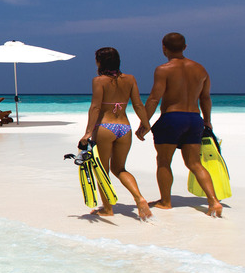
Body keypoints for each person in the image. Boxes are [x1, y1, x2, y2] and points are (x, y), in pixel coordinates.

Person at [136, 32, 223, 217]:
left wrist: (144, 123)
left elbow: (154, 98)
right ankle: (213, 201)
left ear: (163, 48)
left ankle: (166, 202)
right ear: (185, 47)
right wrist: (207, 121)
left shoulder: (163, 69)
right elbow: (205, 98)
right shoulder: (201, 69)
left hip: (172, 118)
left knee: (164, 161)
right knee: (194, 163)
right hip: (194, 119)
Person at [80, 47, 153, 220]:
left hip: (105, 127)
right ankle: (139, 198)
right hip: (124, 128)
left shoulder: (99, 81)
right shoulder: (130, 79)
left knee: (102, 171)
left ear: (99, 62)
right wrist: (145, 124)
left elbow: (96, 107)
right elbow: (138, 105)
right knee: (120, 169)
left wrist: (87, 133)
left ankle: (107, 209)